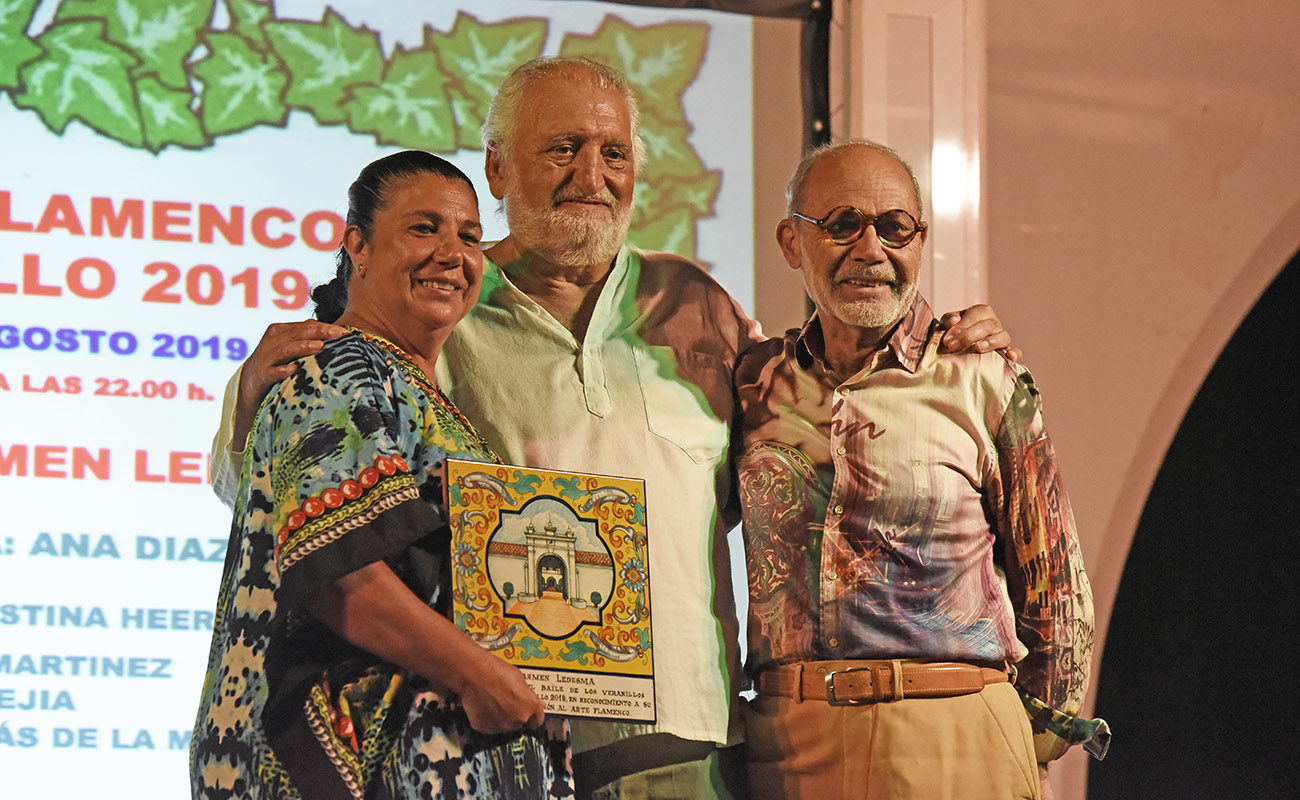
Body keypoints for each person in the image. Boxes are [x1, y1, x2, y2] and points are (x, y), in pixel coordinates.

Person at [209, 58, 1014, 800]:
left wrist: (940, 345)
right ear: (497, 167)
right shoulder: (440, 303)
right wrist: (246, 406)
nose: (591, 175)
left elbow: (827, 434)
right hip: (501, 747)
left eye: (614, 153)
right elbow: (285, 497)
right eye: (562, 148)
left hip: (689, 747)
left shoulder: (698, 304)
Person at [734, 140, 1110, 800]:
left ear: (920, 239)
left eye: (895, 227)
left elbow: (1055, 583)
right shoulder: (755, 386)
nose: (870, 249)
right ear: (792, 241)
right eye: (843, 224)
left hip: (953, 737)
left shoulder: (981, 374)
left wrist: (1031, 741)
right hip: (790, 747)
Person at [190, 151, 572, 800]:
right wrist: (483, 677)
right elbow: (346, 581)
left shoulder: (415, 391)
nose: (453, 252)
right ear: (358, 246)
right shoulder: (336, 369)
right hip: (342, 761)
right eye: (424, 228)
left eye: (469, 235)